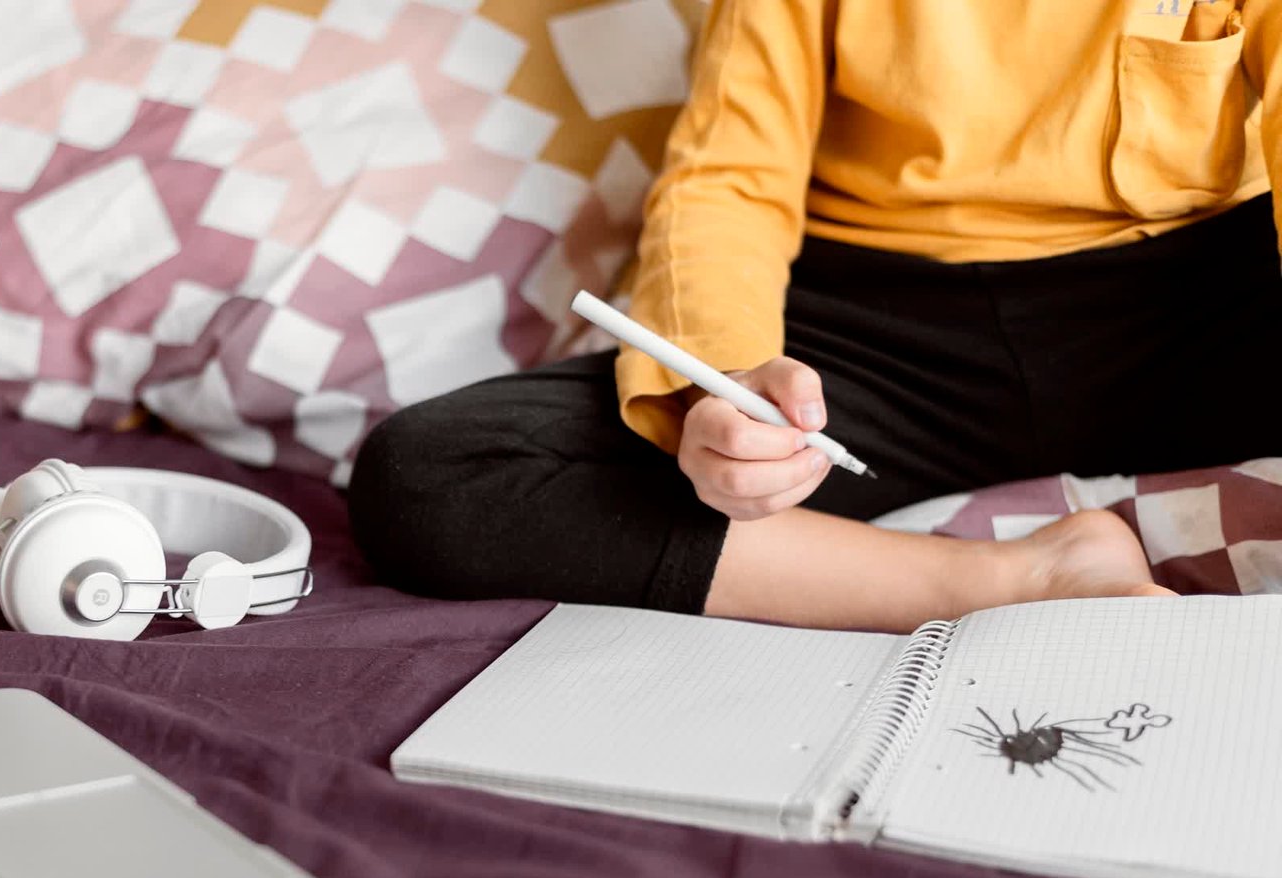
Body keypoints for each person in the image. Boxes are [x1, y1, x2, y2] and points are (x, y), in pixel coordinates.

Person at [349, 0, 1281, 632]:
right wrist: (726, 380)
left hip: (1192, 312)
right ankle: (1016, 579)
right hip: (882, 338)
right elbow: (729, 176)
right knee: (434, 476)